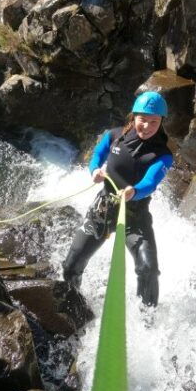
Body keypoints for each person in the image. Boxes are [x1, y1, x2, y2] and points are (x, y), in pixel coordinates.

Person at [62, 91, 173, 307]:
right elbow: (97, 155)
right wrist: (95, 170)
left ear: (161, 122)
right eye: (143, 119)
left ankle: (147, 318)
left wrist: (134, 191)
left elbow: (151, 182)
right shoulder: (114, 136)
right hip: (103, 210)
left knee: (148, 270)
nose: (147, 126)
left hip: (134, 216)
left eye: (154, 122)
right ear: (134, 116)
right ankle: (74, 307)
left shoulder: (163, 155)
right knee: (71, 265)